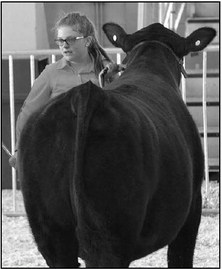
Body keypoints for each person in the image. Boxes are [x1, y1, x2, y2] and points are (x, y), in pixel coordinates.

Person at [9, 12, 120, 169]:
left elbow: (121, 112)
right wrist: (20, 150)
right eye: (60, 40)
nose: (64, 45)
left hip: (100, 155)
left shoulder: (106, 72)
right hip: (60, 157)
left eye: (71, 39)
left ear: (88, 41)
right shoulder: (50, 73)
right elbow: (28, 113)